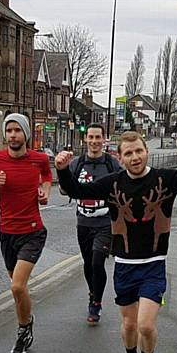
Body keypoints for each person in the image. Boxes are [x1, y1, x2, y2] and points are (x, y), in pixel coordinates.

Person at [56, 131, 177, 353]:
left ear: (146, 151)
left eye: (138, 151)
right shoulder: (112, 183)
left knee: (146, 325)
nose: (135, 157)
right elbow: (77, 190)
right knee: (129, 325)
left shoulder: (165, 178)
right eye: (128, 153)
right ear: (121, 157)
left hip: (153, 264)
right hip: (124, 265)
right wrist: (62, 170)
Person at [0, 113, 52, 353]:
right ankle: (27, 319)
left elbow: (47, 176)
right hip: (7, 233)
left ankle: (23, 331)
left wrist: (44, 191)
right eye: (9, 131)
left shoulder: (39, 159)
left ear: (26, 134)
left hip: (32, 232)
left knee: (17, 285)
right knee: (18, 291)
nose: (13, 135)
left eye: (17, 130)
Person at [61, 123, 121, 325]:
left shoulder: (112, 164)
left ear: (105, 140)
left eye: (98, 137)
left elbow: (123, 185)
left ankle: (96, 302)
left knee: (97, 261)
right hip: (83, 222)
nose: (95, 141)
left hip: (105, 222)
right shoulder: (77, 164)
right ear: (85, 139)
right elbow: (64, 189)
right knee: (88, 264)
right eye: (91, 137)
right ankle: (92, 292)